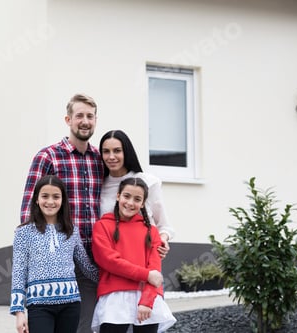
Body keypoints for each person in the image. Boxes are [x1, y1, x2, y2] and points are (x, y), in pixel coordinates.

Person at [20, 93, 104, 333]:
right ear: (68, 119)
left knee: (84, 328)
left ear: (96, 120)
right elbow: (29, 210)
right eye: (79, 116)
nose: (85, 121)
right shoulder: (48, 157)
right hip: (57, 261)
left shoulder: (100, 159)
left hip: (90, 259)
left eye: (90, 116)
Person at [11, 175, 99, 333]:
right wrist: (19, 312)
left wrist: (117, 280)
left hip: (71, 305)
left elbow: (86, 267)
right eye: (45, 196)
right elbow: (19, 271)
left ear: (63, 200)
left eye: (56, 197)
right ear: (37, 199)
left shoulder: (72, 231)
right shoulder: (23, 232)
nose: (50, 202)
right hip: (38, 306)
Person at [91, 177, 176, 333]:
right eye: (126, 196)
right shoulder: (102, 226)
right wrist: (146, 274)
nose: (130, 203)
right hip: (114, 299)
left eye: (137, 199)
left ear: (143, 203)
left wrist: (147, 301)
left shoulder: (151, 231)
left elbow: (155, 270)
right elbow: (108, 260)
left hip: (146, 298)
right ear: (118, 196)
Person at [99, 130, 175, 259]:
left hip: (144, 258)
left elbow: (165, 226)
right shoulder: (99, 185)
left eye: (117, 151)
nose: (111, 157)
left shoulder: (149, 182)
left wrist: (163, 240)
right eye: (106, 151)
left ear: (126, 152)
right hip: (112, 261)